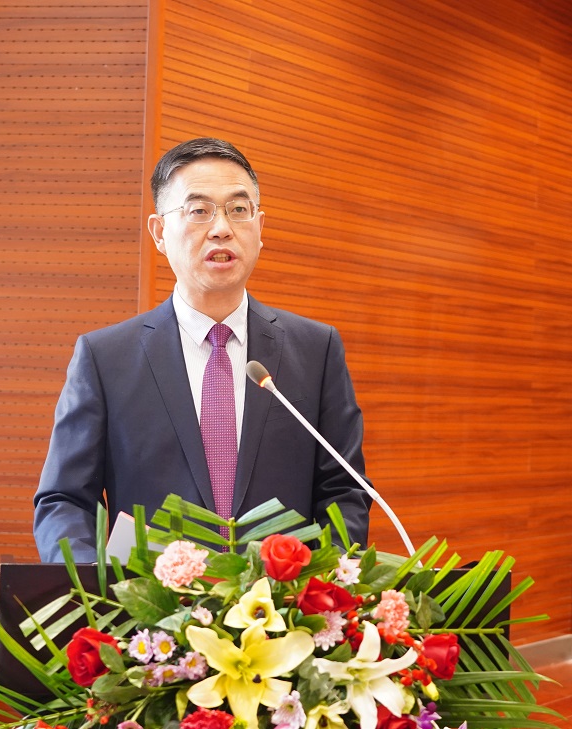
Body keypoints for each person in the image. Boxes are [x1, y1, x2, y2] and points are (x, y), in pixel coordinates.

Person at [33, 137, 371, 563]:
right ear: (160, 232)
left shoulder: (316, 350)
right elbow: (64, 501)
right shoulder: (105, 359)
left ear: (260, 228)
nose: (221, 228)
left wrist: (317, 586)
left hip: (282, 602)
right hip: (151, 601)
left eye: (239, 209)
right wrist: (101, 589)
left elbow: (344, 491)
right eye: (199, 211)